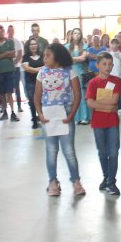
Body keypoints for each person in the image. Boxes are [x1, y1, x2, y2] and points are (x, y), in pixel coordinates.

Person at [34, 43, 85, 197]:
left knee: (69, 150)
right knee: (51, 150)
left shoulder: (70, 71)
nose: (44, 58)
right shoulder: (42, 73)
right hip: (48, 116)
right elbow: (37, 96)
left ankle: (76, 181)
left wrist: (72, 115)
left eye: (48, 55)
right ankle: (52, 181)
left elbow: (77, 95)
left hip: (65, 115)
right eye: (44, 55)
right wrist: (40, 113)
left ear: (57, 56)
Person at [86, 52, 121, 196]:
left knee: (113, 152)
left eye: (110, 64)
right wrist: (108, 107)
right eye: (104, 64)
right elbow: (89, 103)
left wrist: (98, 103)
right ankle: (106, 177)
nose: (107, 67)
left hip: (112, 122)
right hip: (98, 123)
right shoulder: (93, 83)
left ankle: (111, 182)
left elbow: (114, 100)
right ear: (97, 65)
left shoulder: (116, 81)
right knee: (102, 152)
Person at [0, 25, 19, 122]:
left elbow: (13, 54)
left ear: (4, 32)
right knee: (2, 94)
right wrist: (6, 53)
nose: (0, 33)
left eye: (2, 31)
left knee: (10, 93)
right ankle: (5, 113)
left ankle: (13, 113)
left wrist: (2, 55)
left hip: (9, 71)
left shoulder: (10, 42)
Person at [66, 28, 91, 126]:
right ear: (72, 35)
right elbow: (65, 59)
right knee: (73, 94)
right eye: (75, 33)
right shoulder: (66, 46)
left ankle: (84, 117)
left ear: (81, 35)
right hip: (70, 72)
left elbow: (83, 58)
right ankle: (76, 117)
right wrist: (76, 59)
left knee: (82, 93)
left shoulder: (85, 46)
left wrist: (71, 59)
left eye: (79, 33)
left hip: (81, 72)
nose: (77, 35)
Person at [22, 38, 44, 130]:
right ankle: (34, 120)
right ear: (28, 46)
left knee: (42, 101)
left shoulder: (42, 55)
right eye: (31, 44)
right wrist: (39, 69)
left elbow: (47, 66)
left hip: (42, 82)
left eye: (35, 44)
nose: (33, 46)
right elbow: (26, 68)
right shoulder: (26, 56)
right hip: (30, 82)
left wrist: (34, 70)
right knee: (32, 101)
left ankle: (42, 118)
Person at [109, 38, 121, 116]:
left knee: (118, 93)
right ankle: (110, 108)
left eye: (116, 44)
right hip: (110, 76)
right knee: (109, 93)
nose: (114, 45)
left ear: (118, 45)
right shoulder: (108, 54)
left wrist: (119, 58)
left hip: (119, 77)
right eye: (112, 44)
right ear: (110, 45)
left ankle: (119, 109)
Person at [8, 25, 24, 113]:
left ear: (14, 31)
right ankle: (8, 107)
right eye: (9, 30)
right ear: (7, 31)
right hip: (7, 68)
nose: (11, 31)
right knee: (8, 88)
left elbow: (20, 54)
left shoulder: (17, 42)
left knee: (17, 87)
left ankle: (19, 106)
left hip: (16, 67)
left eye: (12, 30)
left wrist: (13, 64)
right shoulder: (5, 42)